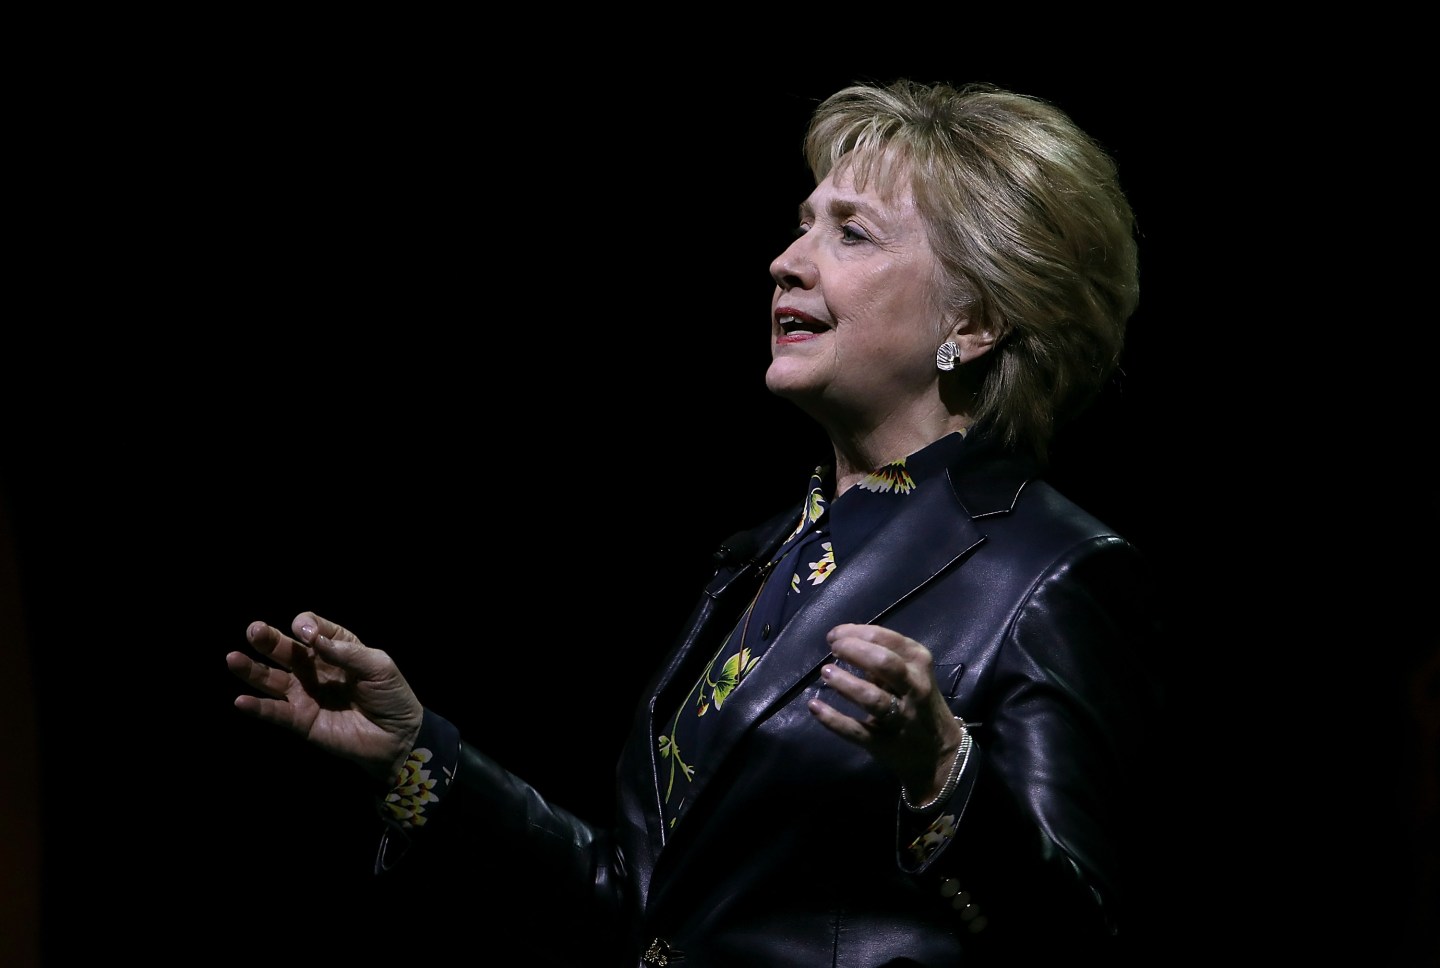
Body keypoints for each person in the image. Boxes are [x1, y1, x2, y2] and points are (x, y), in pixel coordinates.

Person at [226, 77, 1160, 967]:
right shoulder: (765, 558)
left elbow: (1077, 944)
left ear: (979, 315)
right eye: (802, 226)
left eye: (853, 234)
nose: (786, 260)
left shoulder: (1049, 570)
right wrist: (414, 757)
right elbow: (640, 916)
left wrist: (946, 775)